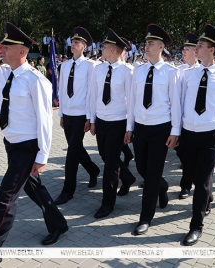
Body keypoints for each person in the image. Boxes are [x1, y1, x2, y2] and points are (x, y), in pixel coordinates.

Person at [0, 22, 68, 268]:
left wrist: (42, 156)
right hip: (11, 142)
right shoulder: (4, 73)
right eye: (1, 45)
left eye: (7, 46)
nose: (2, 49)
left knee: (5, 197)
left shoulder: (36, 80)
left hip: (28, 146)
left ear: (22, 52)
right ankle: (58, 223)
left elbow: (45, 121)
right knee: (32, 187)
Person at [124, 24, 181, 235]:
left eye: (150, 44)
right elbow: (132, 102)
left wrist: (175, 131)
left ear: (161, 47)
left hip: (161, 128)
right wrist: (129, 127)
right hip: (140, 126)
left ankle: (145, 217)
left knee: (153, 171)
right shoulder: (138, 71)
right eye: (145, 43)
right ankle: (161, 187)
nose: (145, 47)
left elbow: (175, 103)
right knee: (141, 167)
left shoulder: (170, 72)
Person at [180, 24, 215, 246]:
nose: (196, 49)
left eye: (200, 46)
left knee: (202, 181)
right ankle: (206, 198)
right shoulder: (188, 75)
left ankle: (196, 226)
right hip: (188, 134)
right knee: (192, 175)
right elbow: (181, 105)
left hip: (210, 135)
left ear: (211, 50)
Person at [89, 28, 136, 219]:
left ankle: (107, 203)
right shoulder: (98, 69)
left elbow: (132, 101)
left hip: (118, 121)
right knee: (105, 155)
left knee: (110, 164)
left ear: (115, 50)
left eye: (106, 46)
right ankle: (128, 177)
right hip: (101, 120)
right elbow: (93, 96)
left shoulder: (127, 71)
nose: (102, 48)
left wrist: (130, 127)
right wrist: (92, 120)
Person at [54, 26, 101, 206]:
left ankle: (68, 190)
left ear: (84, 47)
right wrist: (61, 114)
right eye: (72, 42)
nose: (72, 45)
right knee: (77, 149)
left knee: (72, 153)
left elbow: (91, 93)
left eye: (76, 43)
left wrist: (91, 117)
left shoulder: (90, 66)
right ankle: (93, 169)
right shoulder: (64, 65)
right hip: (68, 113)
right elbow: (62, 91)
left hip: (82, 114)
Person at [177, 33, 200, 199]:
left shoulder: (202, 71)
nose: (183, 52)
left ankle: (188, 185)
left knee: (195, 158)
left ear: (196, 51)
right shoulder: (178, 71)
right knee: (184, 155)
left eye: (187, 49)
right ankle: (187, 182)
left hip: (198, 121)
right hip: (181, 120)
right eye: (183, 49)